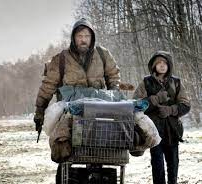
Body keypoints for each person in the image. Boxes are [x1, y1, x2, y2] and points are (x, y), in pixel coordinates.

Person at [33, 18, 121, 183]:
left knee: (99, 151)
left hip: (98, 111)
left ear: (92, 37)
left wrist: (114, 97)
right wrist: (39, 111)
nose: (83, 39)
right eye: (80, 35)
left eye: (87, 35)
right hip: (71, 112)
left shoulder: (103, 54)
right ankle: (65, 176)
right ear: (73, 38)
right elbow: (48, 86)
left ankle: (96, 176)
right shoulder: (61, 59)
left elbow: (113, 77)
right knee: (66, 149)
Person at [133, 51, 191, 184]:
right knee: (157, 163)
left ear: (169, 65)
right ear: (154, 65)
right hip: (153, 130)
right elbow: (136, 105)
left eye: (164, 63)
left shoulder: (176, 83)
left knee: (173, 163)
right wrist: (153, 100)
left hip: (172, 129)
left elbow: (186, 105)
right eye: (159, 63)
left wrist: (171, 109)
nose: (162, 65)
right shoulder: (146, 82)